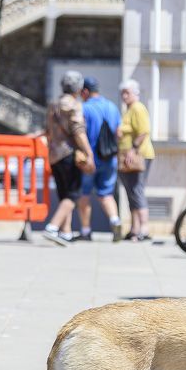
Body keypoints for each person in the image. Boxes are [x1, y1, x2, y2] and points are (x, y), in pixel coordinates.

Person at [42, 70, 93, 246]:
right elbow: (78, 132)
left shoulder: (53, 104)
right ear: (78, 88)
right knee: (73, 194)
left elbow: (47, 130)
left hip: (53, 154)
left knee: (64, 193)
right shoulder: (74, 105)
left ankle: (66, 232)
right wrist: (89, 153)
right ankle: (53, 227)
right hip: (69, 154)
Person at [76, 76, 123, 241]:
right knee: (106, 194)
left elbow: (79, 133)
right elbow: (119, 133)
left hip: (89, 160)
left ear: (85, 91)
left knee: (84, 194)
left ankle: (86, 230)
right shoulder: (112, 107)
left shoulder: (84, 108)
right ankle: (115, 220)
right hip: (109, 159)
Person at [116, 79, 155, 241]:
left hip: (138, 155)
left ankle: (143, 229)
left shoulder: (138, 108)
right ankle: (135, 228)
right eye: (123, 93)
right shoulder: (129, 109)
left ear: (135, 93)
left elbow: (144, 131)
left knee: (136, 191)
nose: (124, 96)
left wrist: (133, 149)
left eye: (127, 92)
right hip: (127, 156)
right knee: (131, 192)